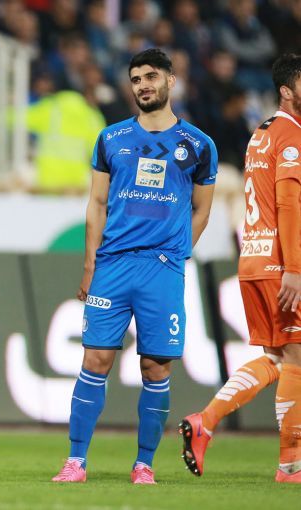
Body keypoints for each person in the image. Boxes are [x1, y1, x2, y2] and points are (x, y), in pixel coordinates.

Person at [51, 48, 218, 484]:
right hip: (112, 266)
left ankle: (144, 464)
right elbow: (97, 204)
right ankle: (75, 461)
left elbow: (202, 210)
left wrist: (177, 253)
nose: (143, 85)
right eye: (136, 79)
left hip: (161, 270)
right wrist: (90, 264)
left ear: (170, 81)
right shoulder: (111, 138)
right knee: (95, 359)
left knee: (156, 367)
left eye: (151, 76)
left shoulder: (199, 145)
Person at [179, 54, 301, 484]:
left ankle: (206, 421)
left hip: (253, 257)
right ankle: (291, 465)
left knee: (276, 357)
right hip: (280, 264)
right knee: (297, 359)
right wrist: (294, 268)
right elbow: (288, 203)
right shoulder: (291, 136)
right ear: (286, 90)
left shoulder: (262, 132)